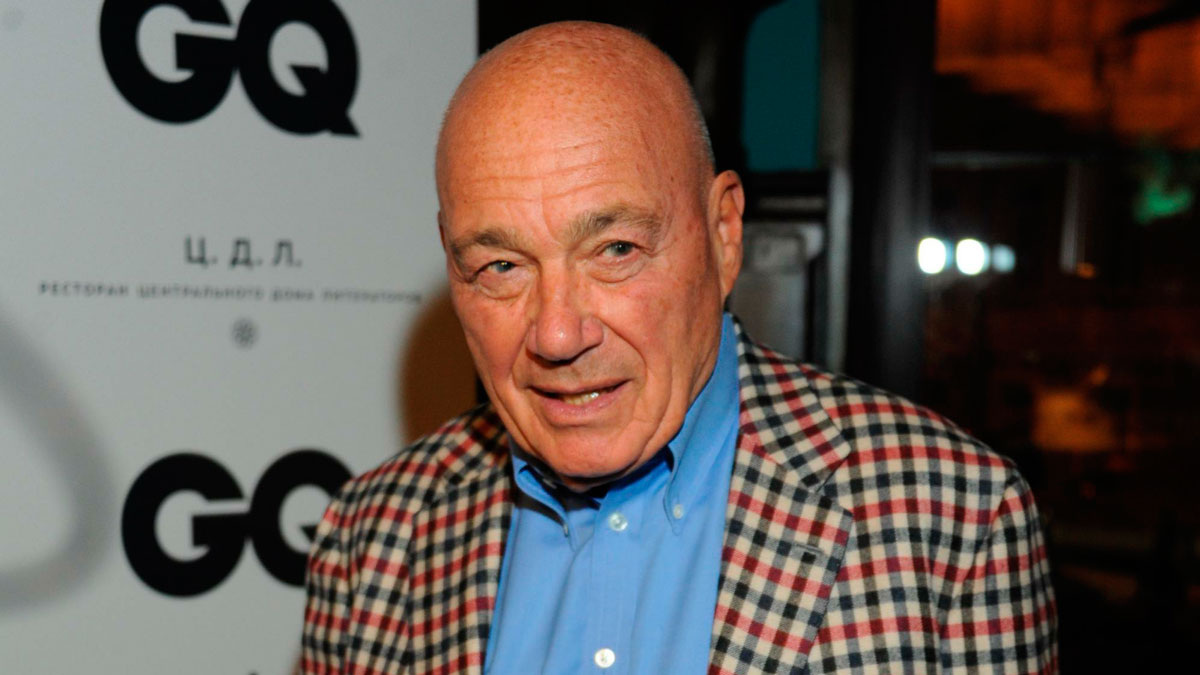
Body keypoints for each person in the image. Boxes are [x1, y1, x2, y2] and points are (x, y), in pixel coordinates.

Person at [301, 21, 1056, 675]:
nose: (557, 334)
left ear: (724, 234)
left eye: (616, 249)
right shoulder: (372, 538)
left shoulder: (955, 520)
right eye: (501, 266)